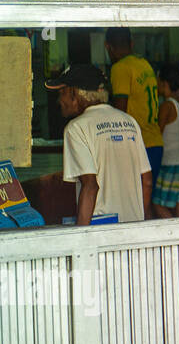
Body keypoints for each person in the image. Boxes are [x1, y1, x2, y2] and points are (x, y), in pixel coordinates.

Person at [46, 64, 152, 225]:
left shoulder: (76, 128)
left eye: (62, 93)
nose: (59, 101)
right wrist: (139, 223)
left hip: (101, 230)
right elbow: (147, 181)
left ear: (75, 93)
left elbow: (90, 186)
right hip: (132, 230)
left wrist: (81, 238)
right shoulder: (129, 121)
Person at [105, 28, 163, 213]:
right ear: (131, 44)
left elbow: (119, 110)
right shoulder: (144, 64)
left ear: (108, 47)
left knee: (136, 206)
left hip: (137, 146)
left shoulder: (120, 68)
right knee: (147, 202)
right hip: (155, 142)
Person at [152, 62, 179, 218]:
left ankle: (175, 234)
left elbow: (157, 133)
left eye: (158, 82)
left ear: (164, 84)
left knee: (158, 204)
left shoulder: (167, 106)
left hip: (171, 161)